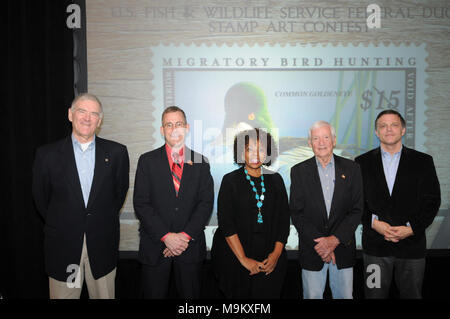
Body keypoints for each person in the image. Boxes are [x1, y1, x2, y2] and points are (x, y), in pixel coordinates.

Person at [32, 93, 130, 299]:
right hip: (65, 248)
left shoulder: (116, 153)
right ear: (70, 115)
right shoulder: (47, 155)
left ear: (100, 120)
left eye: (94, 114)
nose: (87, 118)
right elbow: (42, 200)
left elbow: (118, 195)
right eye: (82, 111)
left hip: (102, 246)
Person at [355, 109, 441, 299]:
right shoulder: (361, 163)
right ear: (376, 132)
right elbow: (356, 201)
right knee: (373, 294)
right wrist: (374, 223)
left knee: (412, 295)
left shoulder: (423, 162)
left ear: (403, 130)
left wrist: (411, 229)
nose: (388, 130)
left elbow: (432, 201)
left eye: (394, 125)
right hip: (375, 249)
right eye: (383, 126)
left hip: (411, 248)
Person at [134, 106, 214, 298]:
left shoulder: (201, 162)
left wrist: (183, 237)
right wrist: (166, 237)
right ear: (162, 130)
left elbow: (205, 204)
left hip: (190, 249)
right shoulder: (147, 161)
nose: (174, 129)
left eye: (178, 124)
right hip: (155, 248)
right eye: (168, 125)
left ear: (186, 128)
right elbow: (141, 204)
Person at [211, 128, 290, 298]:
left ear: (267, 153)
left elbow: (283, 221)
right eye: (249, 149)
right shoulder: (230, 180)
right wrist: (244, 260)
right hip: (235, 259)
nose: (255, 154)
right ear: (241, 152)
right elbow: (226, 223)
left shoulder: (276, 179)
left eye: (261, 149)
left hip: (269, 260)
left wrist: (276, 255)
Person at [289, 121, 363, 299]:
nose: (321, 142)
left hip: (343, 250)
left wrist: (334, 240)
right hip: (313, 251)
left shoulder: (352, 168)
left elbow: (357, 209)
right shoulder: (298, 171)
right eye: (316, 138)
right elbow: (297, 212)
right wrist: (322, 245)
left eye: (326, 137)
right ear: (309, 143)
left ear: (334, 140)